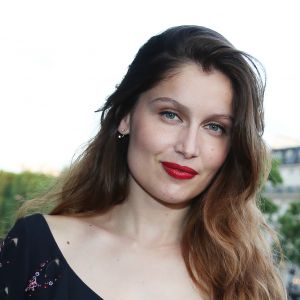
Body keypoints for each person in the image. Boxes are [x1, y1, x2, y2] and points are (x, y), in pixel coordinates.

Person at [0, 25, 287, 299]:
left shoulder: (248, 283)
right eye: (170, 115)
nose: (188, 147)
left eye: (215, 127)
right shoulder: (34, 245)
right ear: (126, 116)